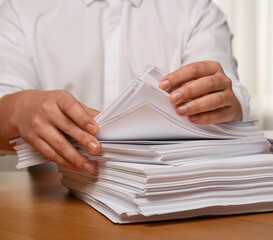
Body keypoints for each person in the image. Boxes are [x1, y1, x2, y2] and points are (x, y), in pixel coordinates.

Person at [0, 0, 250, 174]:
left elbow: (230, 99)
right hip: (54, 207)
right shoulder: (22, 8)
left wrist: (229, 105)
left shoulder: (196, 9)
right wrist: (19, 109)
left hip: (174, 206)